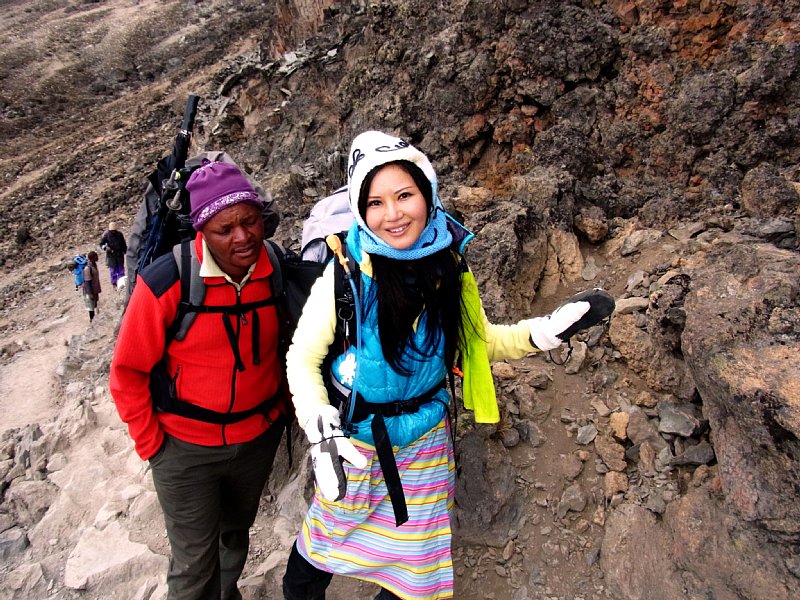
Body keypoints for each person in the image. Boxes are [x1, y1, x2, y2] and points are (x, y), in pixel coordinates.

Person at [281, 131, 614, 600]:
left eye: (404, 195)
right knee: (316, 555)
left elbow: (479, 342)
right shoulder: (347, 272)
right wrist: (321, 430)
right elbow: (303, 356)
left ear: (427, 192)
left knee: (414, 571)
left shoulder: (450, 265)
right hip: (354, 445)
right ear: (360, 209)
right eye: (375, 202)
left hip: (424, 446)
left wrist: (541, 333)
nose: (393, 214)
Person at [109, 161, 289, 600]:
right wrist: (152, 443)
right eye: (225, 228)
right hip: (183, 449)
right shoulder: (168, 282)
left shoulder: (277, 269)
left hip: (256, 440)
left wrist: (279, 414)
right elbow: (126, 372)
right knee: (193, 563)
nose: (242, 236)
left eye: (249, 221)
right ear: (201, 231)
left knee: (234, 537)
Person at [100, 221, 128, 287]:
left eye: (114, 230)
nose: (113, 232)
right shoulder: (106, 235)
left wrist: (125, 250)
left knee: (121, 269)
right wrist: (105, 248)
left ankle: (121, 282)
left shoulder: (119, 234)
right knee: (113, 270)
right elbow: (101, 244)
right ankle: (114, 282)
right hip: (111, 255)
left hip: (119, 254)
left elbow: (123, 243)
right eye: (112, 231)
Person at [82, 251, 102, 322]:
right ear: (92, 258)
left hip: (94, 289)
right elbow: (87, 282)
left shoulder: (94, 265)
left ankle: (97, 320)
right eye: (96, 256)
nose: (97, 257)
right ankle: (92, 320)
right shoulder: (88, 268)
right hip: (90, 291)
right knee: (91, 307)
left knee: (95, 304)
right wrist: (90, 294)